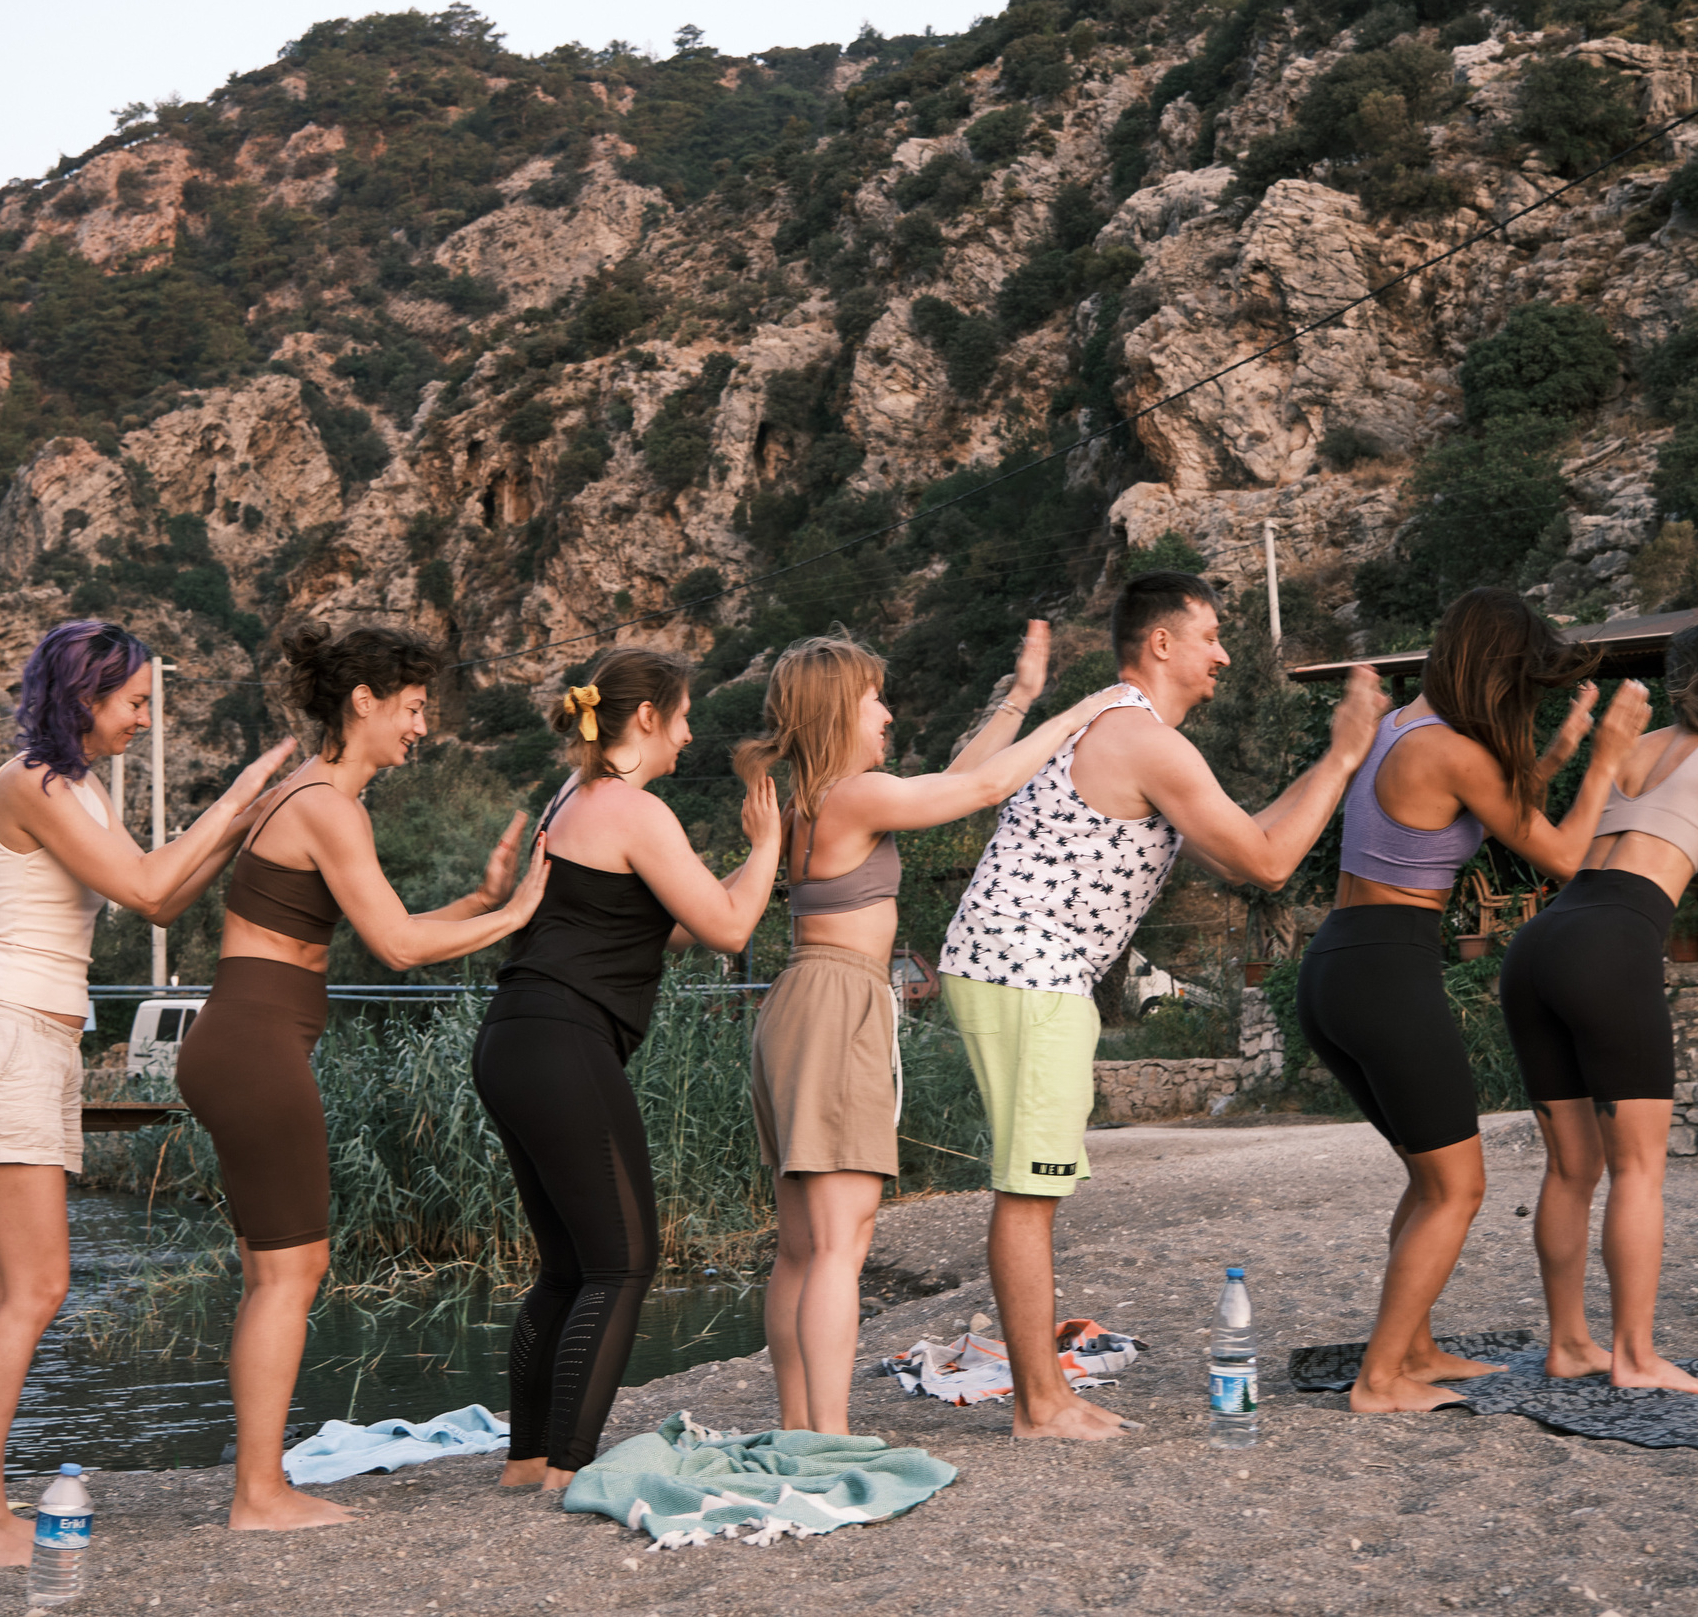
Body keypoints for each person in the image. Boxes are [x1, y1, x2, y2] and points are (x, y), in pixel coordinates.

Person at [935, 570, 1388, 1440]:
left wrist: (1333, 763)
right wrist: (1340, 756)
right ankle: (1041, 1403)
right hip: (1028, 968)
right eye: (1211, 635)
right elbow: (1267, 862)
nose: (1223, 654)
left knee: (1035, 1185)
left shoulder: (1127, 730)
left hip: (1020, 966)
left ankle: (1042, 1392)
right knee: (1029, 1191)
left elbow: (1246, 843)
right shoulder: (1145, 740)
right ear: (1162, 643)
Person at [0, 620, 295, 1568]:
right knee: (35, 1287)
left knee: (4, 1295)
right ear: (85, 695)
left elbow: (165, 896)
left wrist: (246, 824)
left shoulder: (81, 790)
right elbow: (143, 888)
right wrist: (243, 792)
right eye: (134, 701)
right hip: (6, 1035)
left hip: (36, 1040)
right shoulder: (31, 782)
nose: (143, 718)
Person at [177, 621, 550, 1531]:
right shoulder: (327, 804)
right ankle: (259, 1493)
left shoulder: (311, 797)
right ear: (364, 702)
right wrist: (522, 914)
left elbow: (389, 923)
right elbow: (395, 944)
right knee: (290, 1270)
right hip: (255, 1042)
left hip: (245, 1037)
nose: (422, 727)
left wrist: (478, 902)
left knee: (282, 1265)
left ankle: (259, 1482)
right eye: (415, 707)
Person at [733, 623, 1118, 1436]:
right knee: (842, 1240)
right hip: (838, 1005)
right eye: (876, 699)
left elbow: (956, 777)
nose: (888, 714)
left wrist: (1019, 696)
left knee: (802, 1245)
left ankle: (804, 1429)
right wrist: (1084, 710)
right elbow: (980, 793)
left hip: (798, 1001)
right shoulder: (854, 795)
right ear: (841, 710)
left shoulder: (815, 798)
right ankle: (828, 1439)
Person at [1298, 587, 1649, 1413]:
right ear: (1494, 671)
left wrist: (1560, 751)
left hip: (1341, 963)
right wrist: (1605, 755)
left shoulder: (1407, 729)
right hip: (1387, 971)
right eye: (1523, 681)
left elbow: (1499, 807)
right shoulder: (1456, 752)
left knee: (1430, 1180)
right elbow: (1561, 852)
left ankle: (1413, 1346)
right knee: (1459, 1188)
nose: (1524, 699)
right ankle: (1381, 1379)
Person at [471, 647, 783, 1492]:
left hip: (514, 1038)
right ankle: (568, 1468)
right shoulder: (632, 808)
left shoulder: (570, 798)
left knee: (568, 1266)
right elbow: (726, 929)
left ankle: (528, 1457)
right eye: (681, 719)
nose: (687, 737)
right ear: (645, 717)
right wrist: (768, 845)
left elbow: (667, 923)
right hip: (564, 1041)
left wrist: (731, 884)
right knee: (624, 1260)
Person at [1500, 622, 1698, 1397]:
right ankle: (1634, 1356)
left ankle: (1569, 1344)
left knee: (1572, 1166)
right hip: (1613, 942)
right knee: (1638, 1167)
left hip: (1539, 943)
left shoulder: (1625, 748)